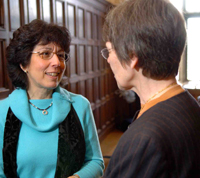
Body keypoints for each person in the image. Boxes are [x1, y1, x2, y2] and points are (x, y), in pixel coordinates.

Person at [101, 0, 200, 177]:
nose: (108, 60)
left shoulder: (145, 138)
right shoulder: (189, 104)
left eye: (109, 51)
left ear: (132, 55)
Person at [0, 19, 104, 178]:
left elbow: (95, 161)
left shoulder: (79, 105)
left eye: (61, 55)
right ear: (23, 63)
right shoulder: (2, 111)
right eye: (45, 54)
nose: (57, 63)